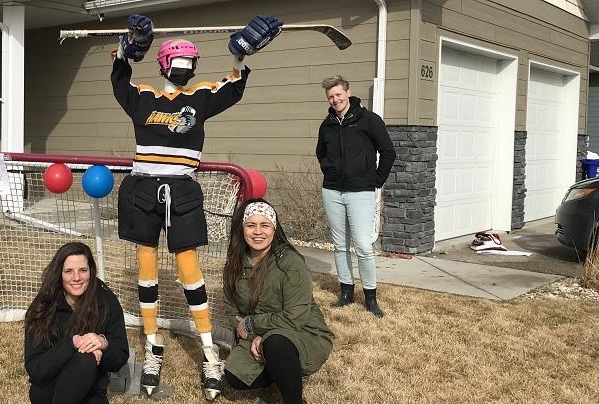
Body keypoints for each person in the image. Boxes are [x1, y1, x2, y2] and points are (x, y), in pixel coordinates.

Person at [111, 13, 283, 399]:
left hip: (183, 191)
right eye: (179, 61)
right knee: (146, 268)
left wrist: (241, 55)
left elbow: (232, 87)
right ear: (163, 63)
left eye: (190, 62)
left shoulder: (201, 96)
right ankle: (153, 345)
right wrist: (127, 48)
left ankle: (208, 351)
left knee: (190, 269)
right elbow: (119, 79)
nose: (185, 68)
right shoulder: (142, 97)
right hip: (143, 189)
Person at [222, 199, 333, 404]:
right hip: (262, 334)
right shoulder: (234, 264)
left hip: (304, 334)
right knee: (235, 377)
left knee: (275, 345)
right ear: (242, 228)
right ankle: (285, 373)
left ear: (274, 229)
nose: (258, 232)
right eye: (251, 225)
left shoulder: (290, 263)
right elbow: (231, 311)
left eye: (265, 225)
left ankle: (294, 397)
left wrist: (251, 324)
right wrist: (254, 336)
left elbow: (294, 318)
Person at [315, 75, 396, 318]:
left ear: (348, 93)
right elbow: (321, 154)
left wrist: (376, 180)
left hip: (361, 192)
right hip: (332, 191)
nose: (335, 99)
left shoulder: (369, 120)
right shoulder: (327, 125)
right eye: (331, 96)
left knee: (362, 246)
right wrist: (330, 171)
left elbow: (388, 152)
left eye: (338, 94)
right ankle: (346, 293)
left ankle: (370, 298)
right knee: (340, 245)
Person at [24, 242, 130, 404]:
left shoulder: (106, 301)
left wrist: (103, 343)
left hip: (90, 388)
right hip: (48, 387)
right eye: (68, 271)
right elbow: (35, 369)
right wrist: (74, 343)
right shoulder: (44, 306)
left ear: (91, 271)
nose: (76, 278)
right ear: (59, 273)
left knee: (86, 360)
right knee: (87, 356)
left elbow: (119, 358)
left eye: (83, 270)